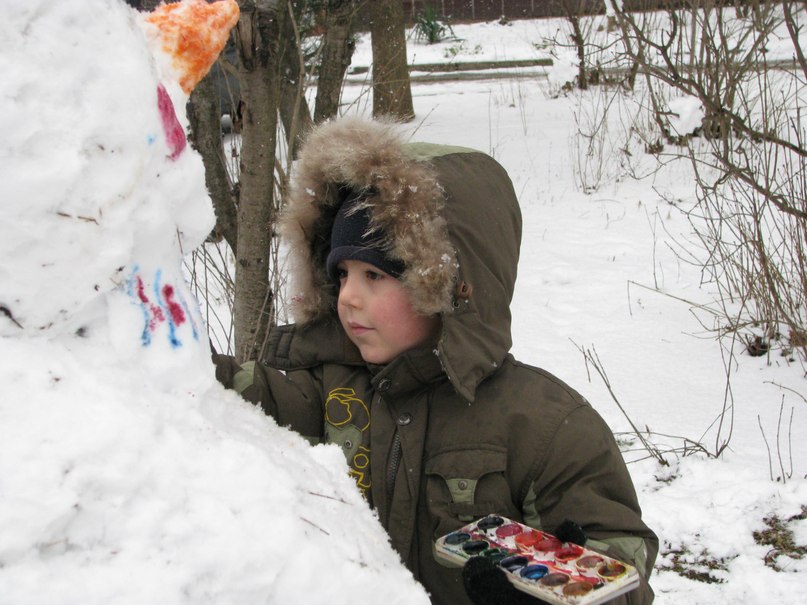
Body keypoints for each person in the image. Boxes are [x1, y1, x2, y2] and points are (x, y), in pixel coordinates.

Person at [213, 116, 658, 604]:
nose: (348, 298)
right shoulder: (327, 389)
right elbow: (223, 392)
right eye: (341, 275)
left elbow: (620, 563)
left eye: (375, 276)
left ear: (447, 286)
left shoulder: (546, 426)